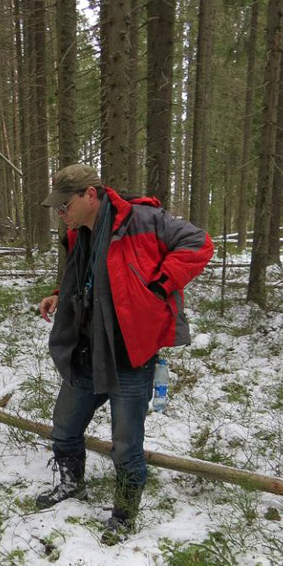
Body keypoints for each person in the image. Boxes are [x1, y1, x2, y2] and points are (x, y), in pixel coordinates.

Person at [36, 163, 214, 544]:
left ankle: (125, 513)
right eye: (57, 207)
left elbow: (199, 244)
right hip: (88, 349)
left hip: (131, 354)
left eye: (65, 205)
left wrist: (159, 286)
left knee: (126, 444)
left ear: (90, 195)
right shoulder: (78, 233)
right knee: (64, 426)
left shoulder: (143, 220)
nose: (60, 213)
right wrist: (58, 294)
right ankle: (71, 482)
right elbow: (88, 276)